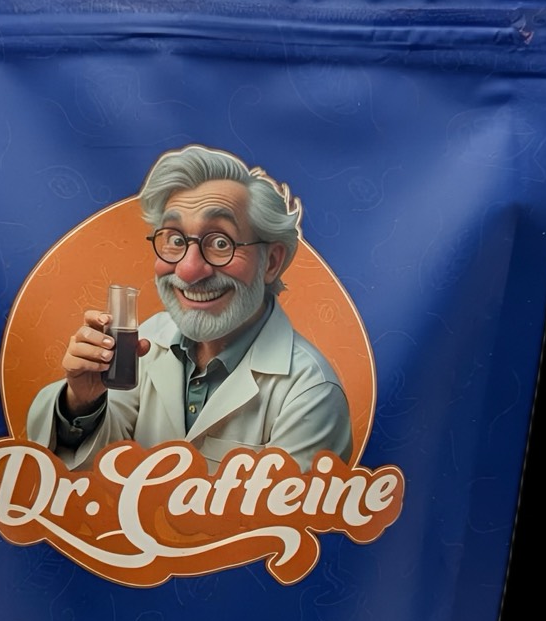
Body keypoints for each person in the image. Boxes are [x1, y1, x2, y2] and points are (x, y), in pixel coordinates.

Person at [26, 145, 353, 474]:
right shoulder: (147, 340)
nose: (188, 270)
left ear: (271, 262)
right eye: (176, 240)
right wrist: (83, 403)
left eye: (221, 242)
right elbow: (90, 472)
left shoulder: (311, 392)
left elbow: (278, 509)